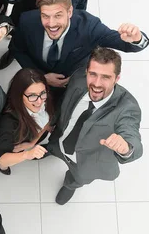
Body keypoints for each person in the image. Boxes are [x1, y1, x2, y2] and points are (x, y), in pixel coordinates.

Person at [10, 0, 149, 99]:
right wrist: (41, 76)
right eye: (45, 16)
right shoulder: (27, 21)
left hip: (72, 80)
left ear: (70, 12)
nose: (51, 24)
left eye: (58, 16)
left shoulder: (89, 26)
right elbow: (17, 49)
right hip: (38, 73)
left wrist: (137, 38)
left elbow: (123, 43)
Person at [46, 48, 143, 205]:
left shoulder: (127, 107)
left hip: (87, 159)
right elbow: (64, 102)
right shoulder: (79, 78)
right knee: (53, 147)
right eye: (93, 74)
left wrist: (126, 147)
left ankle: (70, 185)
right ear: (86, 71)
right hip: (60, 137)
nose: (96, 84)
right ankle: (52, 150)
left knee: (78, 177)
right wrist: (53, 121)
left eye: (105, 77)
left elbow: (132, 136)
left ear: (116, 78)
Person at [0, 68, 54, 175]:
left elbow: (48, 119)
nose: (39, 102)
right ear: (19, 95)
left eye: (42, 93)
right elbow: (3, 159)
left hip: (33, 137)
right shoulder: (9, 121)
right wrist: (26, 155)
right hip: (19, 143)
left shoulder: (46, 99)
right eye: (32, 96)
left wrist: (32, 143)